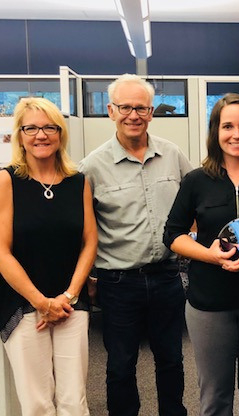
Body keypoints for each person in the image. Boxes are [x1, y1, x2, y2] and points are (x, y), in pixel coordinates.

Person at [164, 93, 239, 415]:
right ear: (215, 132)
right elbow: (172, 234)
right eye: (227, 126)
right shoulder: (196, 181)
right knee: (215, 397)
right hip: (209, 305)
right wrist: (209, 255)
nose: (237, 134)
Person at [79, 74, 193, 416]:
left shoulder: (173, 155)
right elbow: (83, 232)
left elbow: (196, 205)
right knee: (120, 365)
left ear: (151, 111)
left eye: (141, 107)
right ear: (111, 111)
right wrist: (88, 280)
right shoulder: (92, 166)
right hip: (118, 282)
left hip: (167, 277)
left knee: (171, 359)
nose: (134, 115)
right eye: (125, 107)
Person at [0, 97, 97, 415]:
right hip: (22, 304)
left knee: (74, 401)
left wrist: (69, 295)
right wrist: (41, 302)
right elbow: (1, 252)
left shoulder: (78, 182)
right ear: (20, 135)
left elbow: (90, 242)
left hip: (70, 302)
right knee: (36, 402)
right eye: (31, 128)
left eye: (49, 127)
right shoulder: (6, 181)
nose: (41, 135)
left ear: (60, 133)